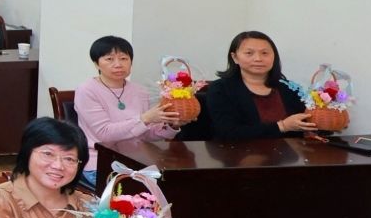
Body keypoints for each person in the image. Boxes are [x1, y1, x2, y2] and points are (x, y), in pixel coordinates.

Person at [72, 35, 183, 185]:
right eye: (109, 59)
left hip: (137, 162)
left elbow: (146, 134)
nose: (118, 64)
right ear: (96, 64)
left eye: (124, 58)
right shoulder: (86, 90)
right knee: (140, 195)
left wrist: (171, 125)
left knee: (179, 186)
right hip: (101, 163)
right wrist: (145, 118)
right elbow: (104, 134)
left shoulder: (140, 91)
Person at [182, 30, 315, 140]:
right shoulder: (221, 89)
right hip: (237, 157)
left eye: (265, 53)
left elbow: (305, 123)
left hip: (287, 157)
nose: (258, 58)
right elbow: (227, 132)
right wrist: (282, 126)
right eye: (249, 53)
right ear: (235, 57)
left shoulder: (289, 88)